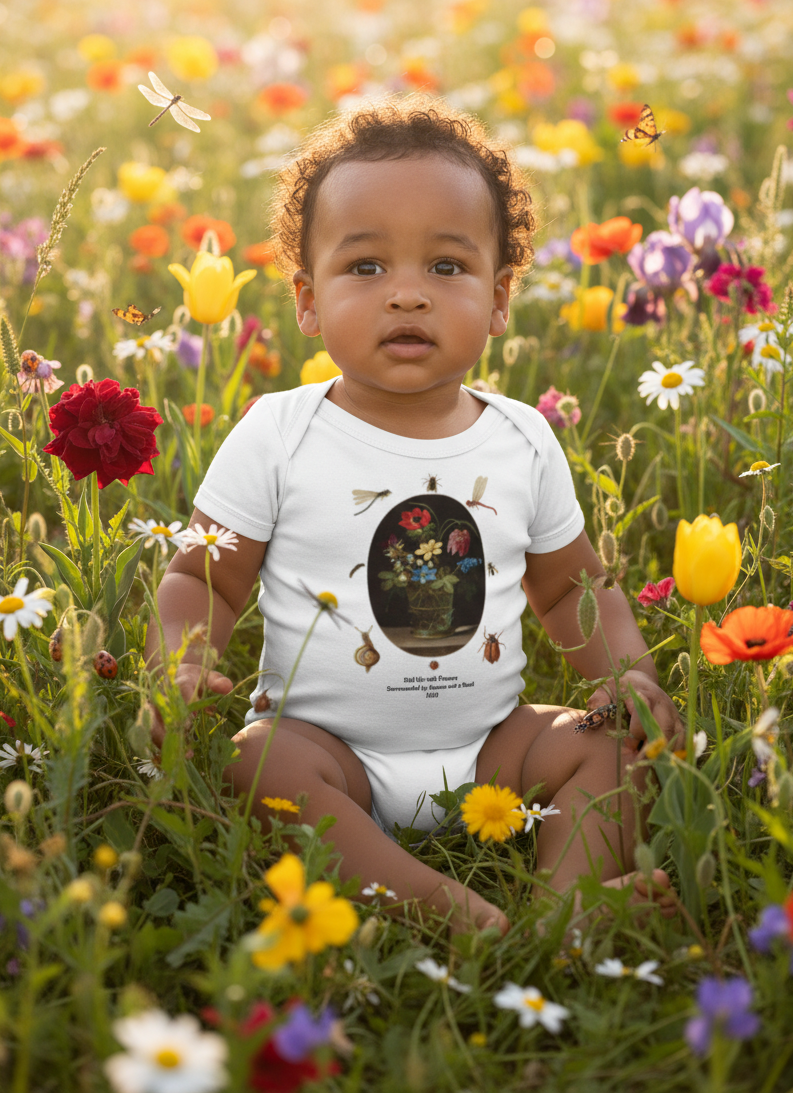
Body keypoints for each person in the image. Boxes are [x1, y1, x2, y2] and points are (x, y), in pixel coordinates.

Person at [147, 98, 681, 934]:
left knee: (612, 745)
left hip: (491, 750)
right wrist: (179, 666)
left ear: (499, 298)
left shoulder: (521, 437)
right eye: (364, 268)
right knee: (254, 761)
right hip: (331, 751)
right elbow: (203, 578)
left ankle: (561, 909)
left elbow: (574, 588)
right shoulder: (279, 431)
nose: (406, 296)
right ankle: (450, 910)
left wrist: (625, 676)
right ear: (307, 302)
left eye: (445, 268)